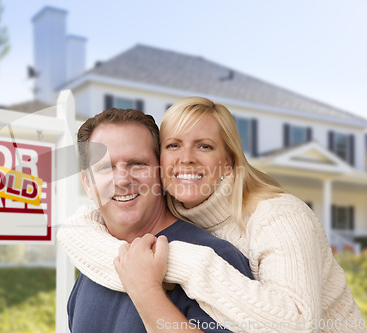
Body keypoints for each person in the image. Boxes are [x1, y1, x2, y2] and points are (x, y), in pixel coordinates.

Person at [58, 97, 365, 333]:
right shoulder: (96, 259)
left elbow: (298, 323)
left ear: (229, 161)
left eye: (137, 164)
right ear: (86, 181)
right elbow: (77, 230)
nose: (186, 159)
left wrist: (163, 277)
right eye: (174, 145)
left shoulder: (267, 224)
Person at [66, 108, 253, 333]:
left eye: (137, 164)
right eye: (106, 167)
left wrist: (147, 291)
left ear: (161, 173)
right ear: (87, 183)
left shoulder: (215, 257)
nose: (123, 180)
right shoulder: (93, 263)